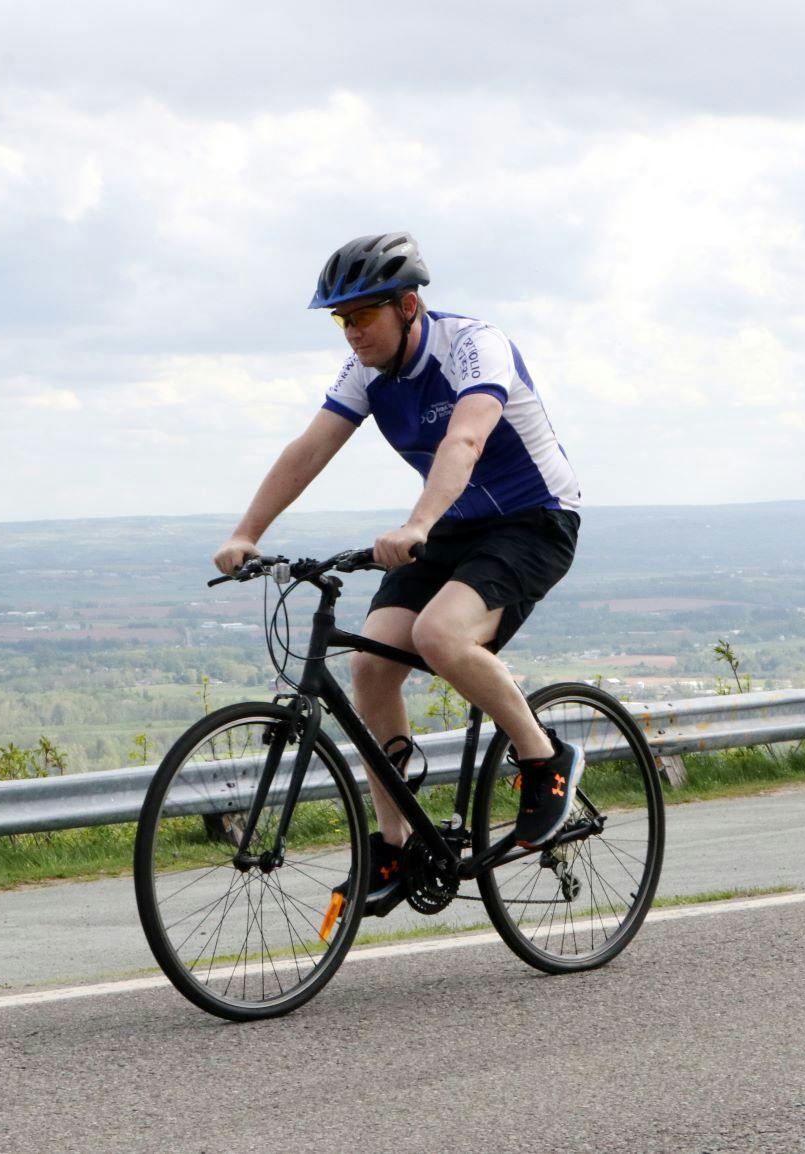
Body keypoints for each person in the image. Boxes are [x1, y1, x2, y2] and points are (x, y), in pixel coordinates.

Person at [212, 232, 584, 915]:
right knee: (371, 665)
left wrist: (416, 525)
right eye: (341, 320)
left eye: (362, 316)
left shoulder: (474, 345)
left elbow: (465, 439)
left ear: (408, 306)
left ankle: (543, 759)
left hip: (533, 518)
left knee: (443, 636)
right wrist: (247, 533)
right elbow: (309, 450)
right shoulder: (365, 375)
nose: (351, 332)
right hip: (450, 525)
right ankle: (397, 842)